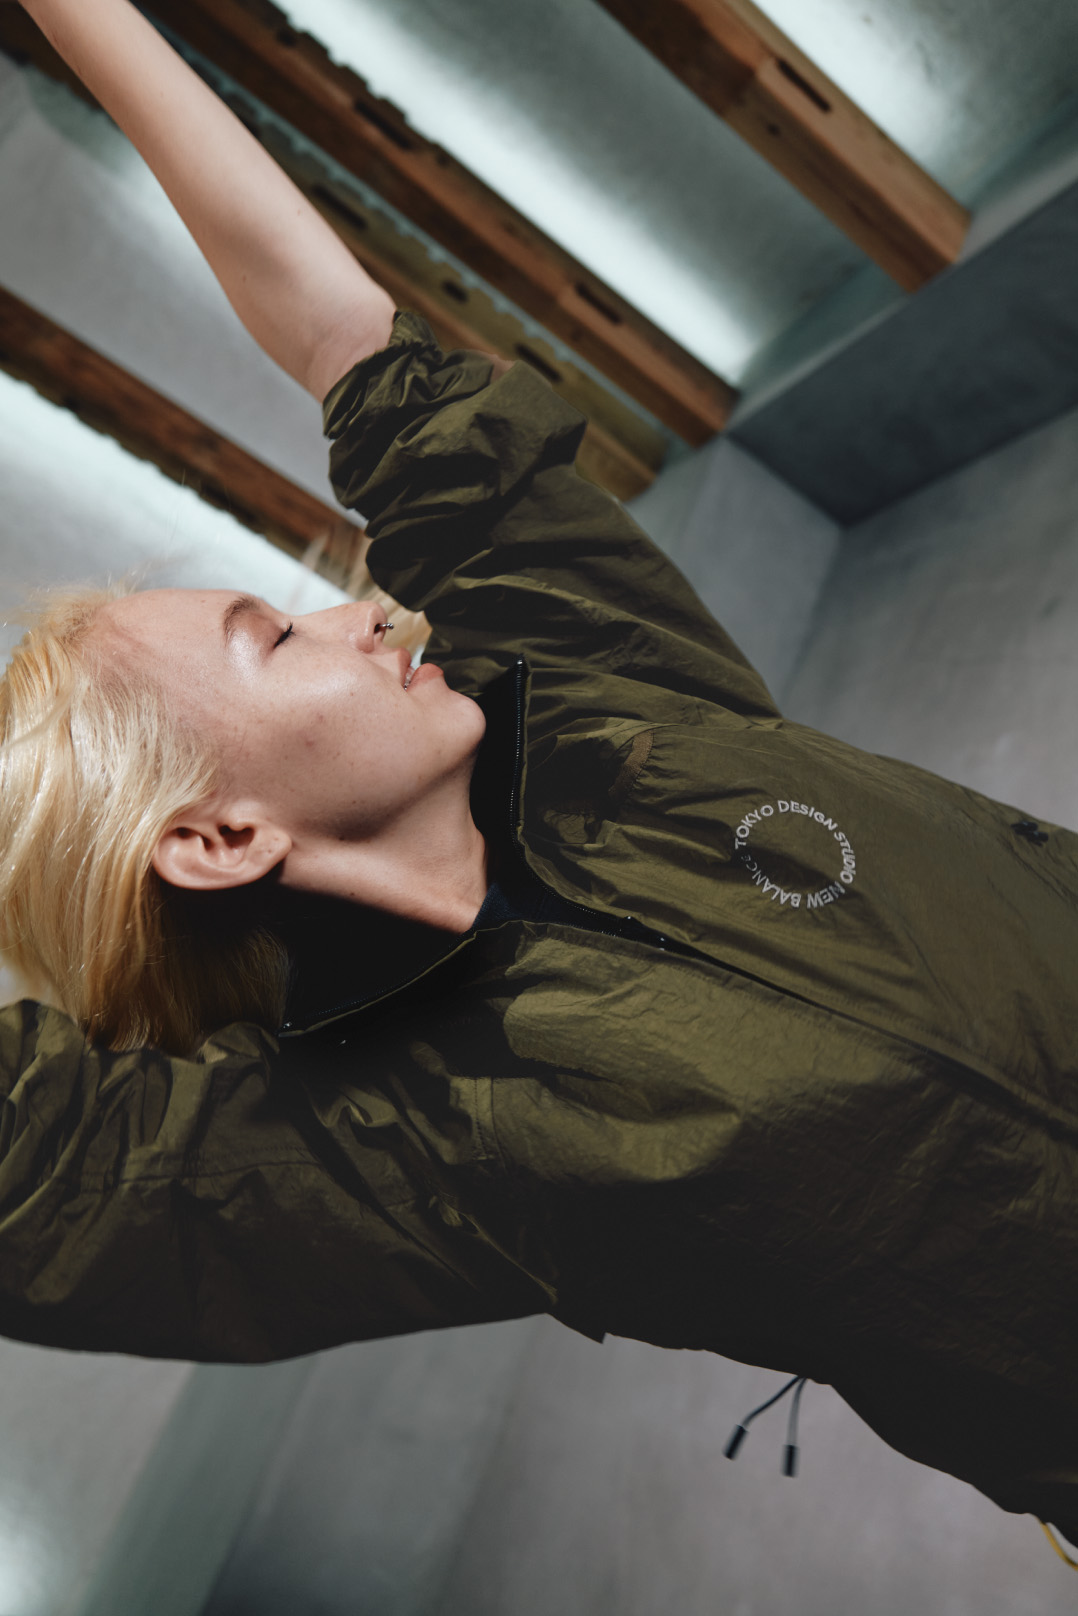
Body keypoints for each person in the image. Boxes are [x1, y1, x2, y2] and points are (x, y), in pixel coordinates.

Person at [3, 0, 1078, 1560]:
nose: (360, 614)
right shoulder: (397, 1144)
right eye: (274, 637)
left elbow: (336, 329)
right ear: (218, 837)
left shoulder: (576, 670)